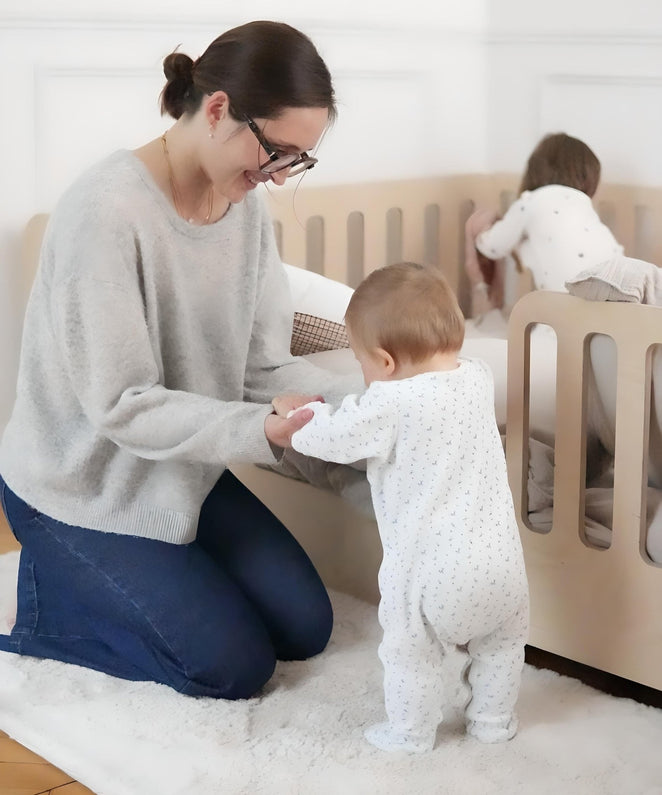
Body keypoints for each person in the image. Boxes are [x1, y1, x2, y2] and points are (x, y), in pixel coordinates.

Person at [0, 20, 362, 699]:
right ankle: (45, 609)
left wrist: (369, 404)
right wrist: (259, 429)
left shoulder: (245, 211)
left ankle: (162, 576)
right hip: (79, 486)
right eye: (276, 151)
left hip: (178, 472)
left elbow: (264, 368)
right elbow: (122, 404)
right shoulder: (104, 212)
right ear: (219, 108)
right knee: (233, 666)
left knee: (305, 627)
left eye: (297, 160)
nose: (278, 177)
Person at [282, 262, 529, 752]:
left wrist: (298, 414)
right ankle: (493, 722)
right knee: (501, 648)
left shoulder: (390, 404)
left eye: (360, 363)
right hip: (504, 569)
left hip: (431, 575)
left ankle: (410, 733)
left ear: (384, 362)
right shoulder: (476, 379)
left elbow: (334, 435)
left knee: (411, 653)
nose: (362, 373)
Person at [465, 132, 623, 316]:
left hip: (567, 317)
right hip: (616, 306)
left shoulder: (530, 201)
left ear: (536, 171)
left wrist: (481, 231)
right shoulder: (583, 205)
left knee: (546, 329)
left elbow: (493, 247)